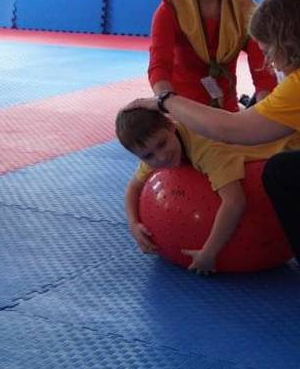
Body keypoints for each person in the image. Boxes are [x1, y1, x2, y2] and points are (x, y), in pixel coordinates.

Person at [128, 0, 300, 262]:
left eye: (270, 52)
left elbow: (230, 130)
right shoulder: (171, 8)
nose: (270, 63)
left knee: (280, 172)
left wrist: (165, 101)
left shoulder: (296, 87)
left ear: (288, 44)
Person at [116, 106, 300, 274]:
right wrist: (133, 224)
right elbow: (133, 187)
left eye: (162, 144)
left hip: (292, 147)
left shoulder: (207, 149)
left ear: (171, 125)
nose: (161, 157)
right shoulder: (160, 144)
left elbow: (235, 203)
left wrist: (209, 253)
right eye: (148, 155)